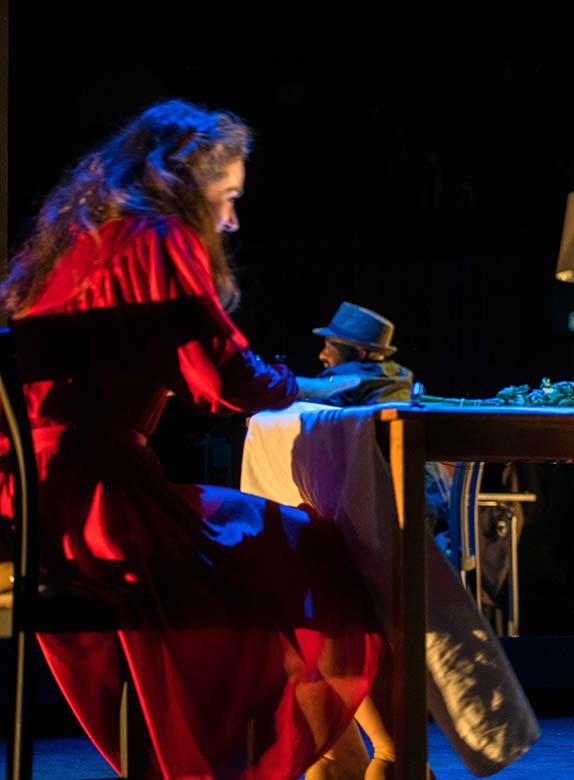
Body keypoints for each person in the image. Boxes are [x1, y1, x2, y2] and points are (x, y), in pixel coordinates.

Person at [0, 99, 393, 779]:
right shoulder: (158, 239)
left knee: (259, 535)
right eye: (228, 196)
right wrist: (302, 385)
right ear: (188, 181)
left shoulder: (78, 241)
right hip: (101, 503)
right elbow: (223, 377)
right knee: (318, 545)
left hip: (27, 505)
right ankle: (380, 761)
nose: (232, 219)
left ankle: (345, 763)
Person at [295, 301, 416, 406]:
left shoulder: (343, 377)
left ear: (361, 354)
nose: (321, 355)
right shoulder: (403, 377)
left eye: (329, 347)